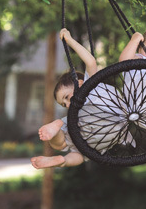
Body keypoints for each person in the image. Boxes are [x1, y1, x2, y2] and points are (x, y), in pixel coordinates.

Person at [31, 28, 132, 169]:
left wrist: (70, 40)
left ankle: (58, 125)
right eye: (63, 104)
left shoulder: (90, 87)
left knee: (69, 135)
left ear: (79, 83)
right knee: (77, 153)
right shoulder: (78, 114)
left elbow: (90, 62)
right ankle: (62, 160)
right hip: (102, 137)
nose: (67, 105)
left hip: (108, 118)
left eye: (66, 97)